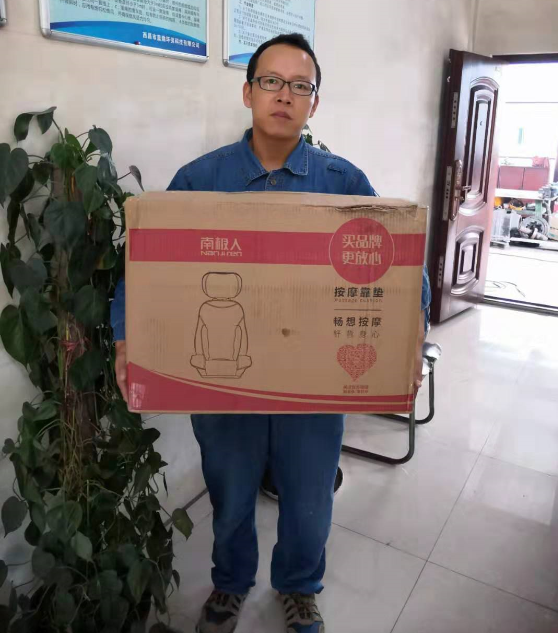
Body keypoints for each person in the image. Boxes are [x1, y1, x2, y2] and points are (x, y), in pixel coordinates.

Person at [111, 33, 431, 633]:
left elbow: (401, 269)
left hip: (315, 386)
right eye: (271, 82)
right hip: (221, 383)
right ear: (248, 92)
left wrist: (410, 337)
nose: (284, 95)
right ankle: (231, 583)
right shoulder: (200, 180)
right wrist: (128, 339)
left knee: (309, 498)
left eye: (300, 85)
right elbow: (144, 268)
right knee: (230, 492)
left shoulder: (343, 182)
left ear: (315, 102)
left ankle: (299, 586)